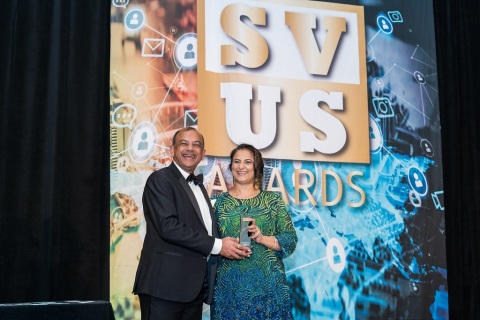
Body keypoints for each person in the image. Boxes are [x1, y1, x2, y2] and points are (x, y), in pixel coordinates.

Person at [133, 127, 251, 320]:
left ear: (203, 153)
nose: (190, 149)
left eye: (196, 145)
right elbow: (168, 227)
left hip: (192, 290)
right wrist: (219, 245)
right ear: (172, 150)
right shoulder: (161, 179)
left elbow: (200, 230)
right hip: (165, 288)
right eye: (184, 144)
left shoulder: (199, 187)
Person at [210, 144, 298, 320]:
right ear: (231, 167)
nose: (241, 166)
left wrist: (261, 238)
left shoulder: (273, 201)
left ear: (256, 168)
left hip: (269, 291)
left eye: (247, 162)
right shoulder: (218, 203)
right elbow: (208, 243)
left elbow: (290, 240)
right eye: (237, 161)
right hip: (229, 292)